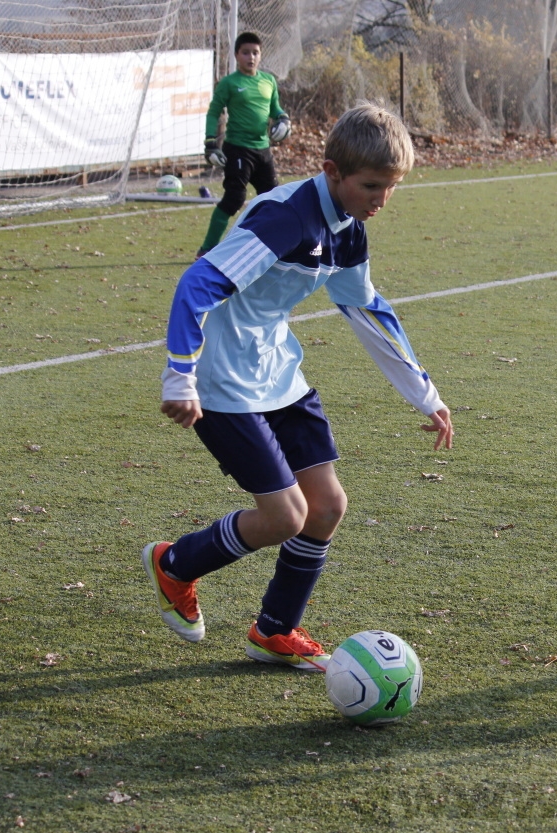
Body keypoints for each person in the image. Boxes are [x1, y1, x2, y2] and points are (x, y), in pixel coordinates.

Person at [144, 103, 454, 671]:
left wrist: (425, 395)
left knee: (327, 506)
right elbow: (198, 282)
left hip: (278, 372)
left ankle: (274, 630)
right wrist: (179, 375)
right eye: (372, 185)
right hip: (221, 380)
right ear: (332, 171)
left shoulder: (349, 231)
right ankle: (175, 564)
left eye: (391, 187)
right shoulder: (284, 217)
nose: (382, 199)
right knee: (286, 516)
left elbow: (365, 307)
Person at [197, 31, 292, 259]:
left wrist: (283, 118)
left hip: (263, 149)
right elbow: (213, 112)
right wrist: (210, 143)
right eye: (246, 53)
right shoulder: (230, 83)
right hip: (238, 149)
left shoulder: (268, 81)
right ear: (237, 55)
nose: (251, 57)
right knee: (234, 199)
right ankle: (207, 249)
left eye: (255, 53)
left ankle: (275, 247)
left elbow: (275, 109)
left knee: (273, 199)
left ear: (261, 55)